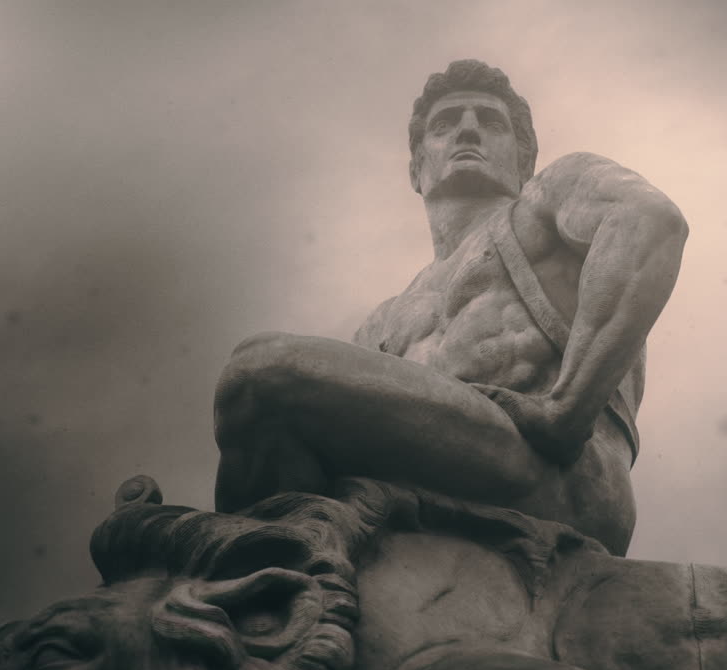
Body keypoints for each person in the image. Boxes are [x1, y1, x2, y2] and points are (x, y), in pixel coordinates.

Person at [214, 59, 688, 555]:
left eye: (490, 121)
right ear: (417, 168)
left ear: (524, 161)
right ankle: (274, 585)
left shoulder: (551, 200)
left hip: (557, 474)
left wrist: (567, 409)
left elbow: (650, 222)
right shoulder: (383, 322)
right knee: (268, 418)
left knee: (260, 372)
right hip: (436, 479)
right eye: (446, 124)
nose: (468, 129)